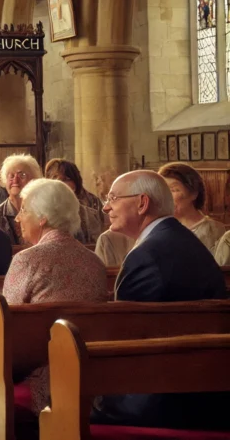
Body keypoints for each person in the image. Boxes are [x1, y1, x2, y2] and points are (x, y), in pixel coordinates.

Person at [93, 170, 227, 430]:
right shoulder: (182, 240)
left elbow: (124, 343)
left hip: (160, 400)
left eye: (113, 198)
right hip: (205, 388)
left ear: (142, 203)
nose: (106, 206)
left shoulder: (147, 256)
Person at [2, 179, 108, 414]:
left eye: (24, 210)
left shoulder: (27, 259)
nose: (18, 218)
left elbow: (6, 321)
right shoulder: (94, 261)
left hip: (43, 374)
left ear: (43, 219)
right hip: (91, 370)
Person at [0, 154, 103, 246]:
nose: (15, 180)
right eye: (11, 176)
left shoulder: (54, 210)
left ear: (35, 179)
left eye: (21, 175)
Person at [158, 162, 225, 254]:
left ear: (194, 193)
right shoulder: (158, 227)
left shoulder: (214, 231)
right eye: (162, 190)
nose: (166, 196)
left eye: (173, 190)